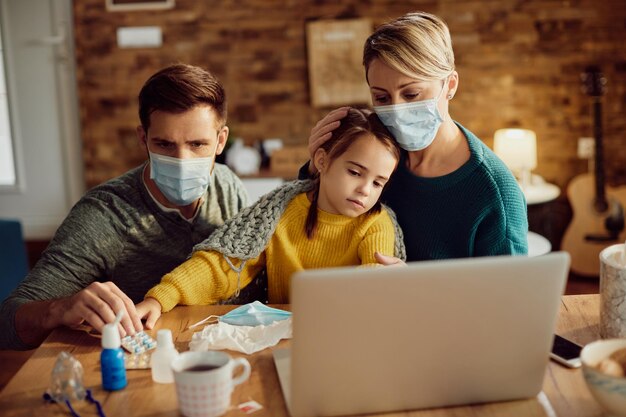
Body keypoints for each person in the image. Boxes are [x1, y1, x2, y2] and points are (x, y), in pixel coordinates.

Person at [0, 64, 248, 350]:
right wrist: (60, 308)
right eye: (165, 144)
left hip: (226, 350)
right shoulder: (104, 214)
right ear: (143, 138)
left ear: (221, 140)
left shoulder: (228, 186)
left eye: (197, 144)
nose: (182, 160)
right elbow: (7, 322)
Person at [136, 108, 406, 328]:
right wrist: (161, 298)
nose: (365, 190)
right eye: (356, 173)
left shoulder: (376, 223)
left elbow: (377, 277)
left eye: (378, 183)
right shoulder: (279, 210)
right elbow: (223, 264)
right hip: (283, 336)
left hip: (350, 333)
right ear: (322, 161)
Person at [306, 12, 528, 263]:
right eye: (381, 98)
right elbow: (314, 229)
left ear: (450, 85)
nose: (397, 112)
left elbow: (506, 297)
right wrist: (317, 169)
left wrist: (413, 286)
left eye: (411, 94)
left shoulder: (494, 193)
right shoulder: (374, 154)